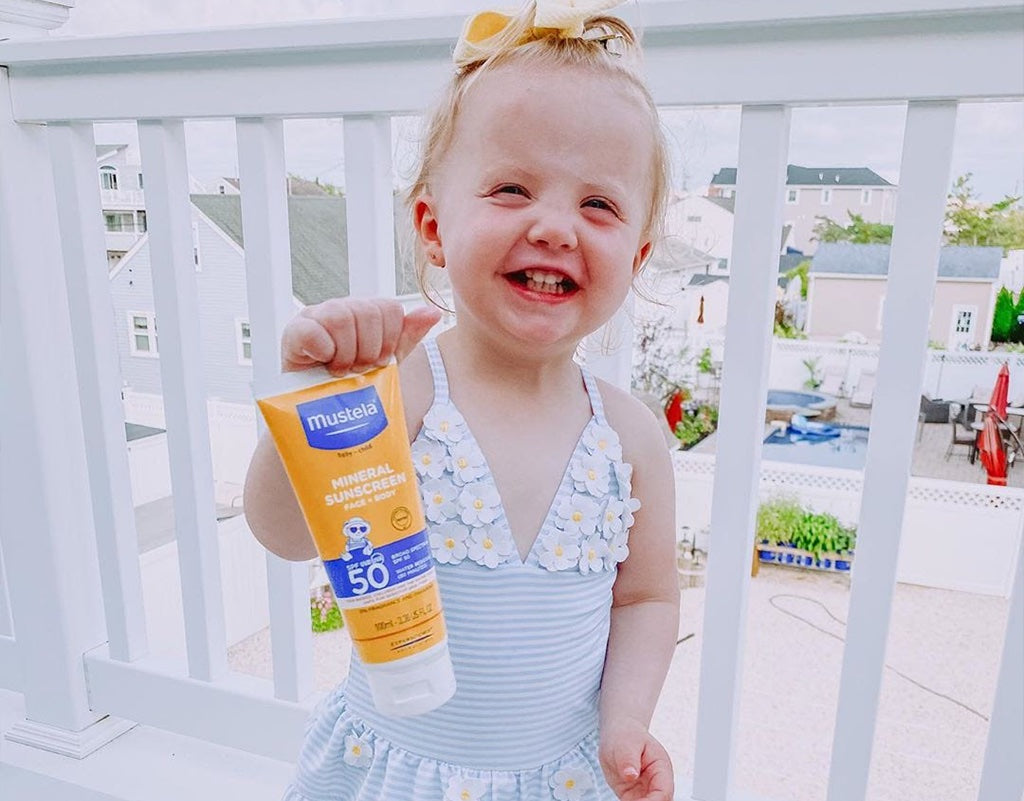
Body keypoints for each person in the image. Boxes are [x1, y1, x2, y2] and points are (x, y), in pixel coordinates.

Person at [244, 1, 680, 798]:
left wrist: (626, 720)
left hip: (561, 778)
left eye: (599, 204)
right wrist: (315, 399)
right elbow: (287, 534)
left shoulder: (628, 435)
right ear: (432, 226)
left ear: (639, 253)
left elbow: (646, 598)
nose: (555, 227)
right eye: (512, 189)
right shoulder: (400, 391)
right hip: (397, 773)